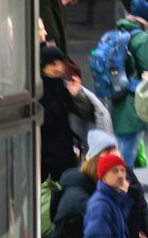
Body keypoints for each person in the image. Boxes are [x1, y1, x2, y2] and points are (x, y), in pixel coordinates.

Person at [101, 0, 148, 167]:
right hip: (133, 97)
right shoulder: (141, 37)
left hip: (116, 93)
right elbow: (147, 69)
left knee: (121, 142)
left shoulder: (117, 32)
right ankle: (124, 184)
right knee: (128, 146)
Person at [81, 150, 143, 238]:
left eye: (122, 170)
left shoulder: (115, 200)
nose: (121, 175)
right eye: (115, 171)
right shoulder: (101, 205)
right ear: (103, 176)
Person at [39, 47, 101, 179]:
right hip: (46, 154)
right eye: (52, 64)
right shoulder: (39, 88)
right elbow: (43, 119)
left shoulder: (64, 85)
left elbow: (86, 114)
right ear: (43, 66)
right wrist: (61, 99)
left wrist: (76, 96)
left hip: (66, 149)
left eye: (61, 63)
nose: (58, 67)